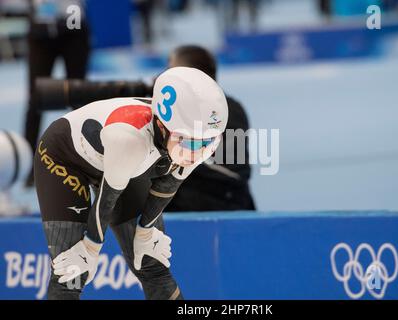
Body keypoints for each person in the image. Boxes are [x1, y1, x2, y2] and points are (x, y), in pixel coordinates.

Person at [33, 67, 228, 299]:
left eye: (208, 145)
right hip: (64, 156)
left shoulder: (197, 136)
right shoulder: (130, 139)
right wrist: (91, 247)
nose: (197, 154)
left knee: (152, 264)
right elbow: (108, 197)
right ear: (163, 127)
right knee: (71, 273)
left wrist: (146, 231)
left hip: (125, 165)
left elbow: (168, 186)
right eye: (190, 144)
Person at [165, 45, 256, 211]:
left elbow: (234, 174)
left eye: (170, 71)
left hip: (221, 211)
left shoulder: (227, 110)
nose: (163, 78)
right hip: (184, 207)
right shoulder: (172, 111)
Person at [24, 0, 91, 187]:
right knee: (36, 99)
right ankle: (29, 164)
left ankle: (85, 160)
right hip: (41, 28)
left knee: (78, 99)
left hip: (73, 23)